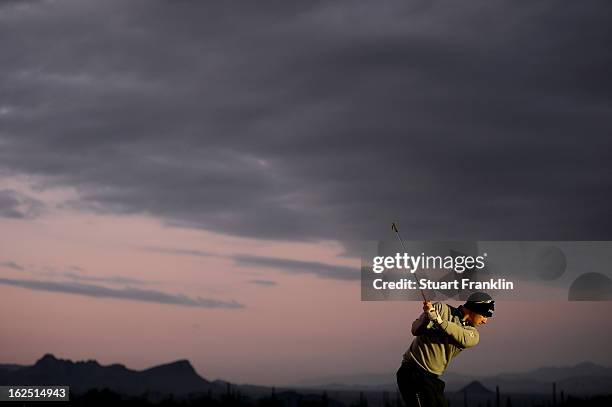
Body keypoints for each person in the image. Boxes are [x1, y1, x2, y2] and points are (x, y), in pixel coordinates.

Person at [396, 292, 494, 407]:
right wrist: (427, 317)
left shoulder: (472, 334)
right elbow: (415, 330)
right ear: (474, 309)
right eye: (484, 315)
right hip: (412, 372)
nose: (485, 321)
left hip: (432, 380)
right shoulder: (441, 309)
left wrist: (439, 321)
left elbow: (459, 334)